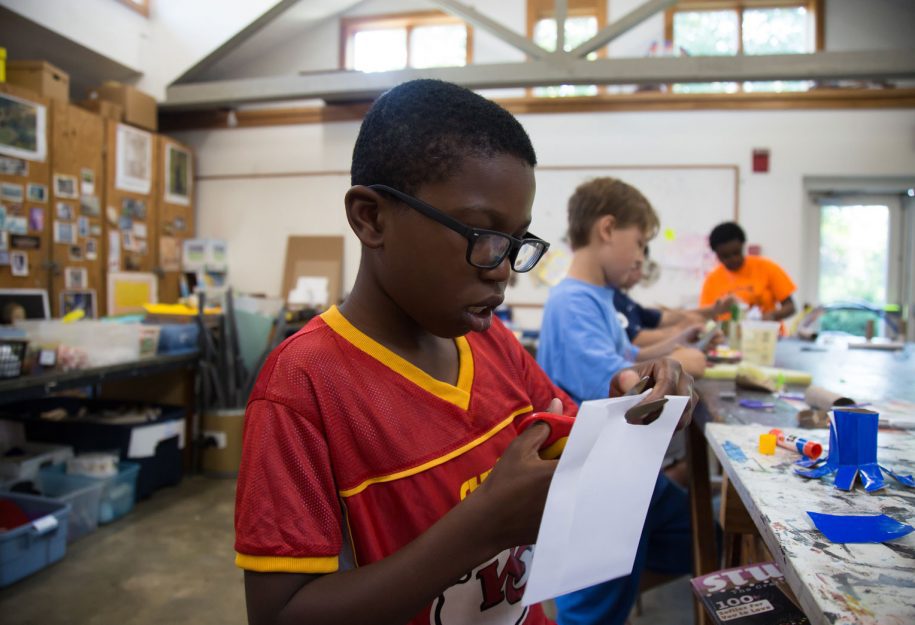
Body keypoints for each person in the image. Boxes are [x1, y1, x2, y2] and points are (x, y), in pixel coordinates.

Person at [235, 80, 697, 625]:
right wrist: (483, 527)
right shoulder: (305, 387)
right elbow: (281, 615)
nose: (502, 266)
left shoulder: (490, 341)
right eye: (482, 234)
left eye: (517, 241)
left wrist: (634, 403)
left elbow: (562, 441)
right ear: (371, 218)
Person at [537, 176, 698, 625]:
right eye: (640, 243)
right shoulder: (571, 301)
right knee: (590, 612)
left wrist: (673, 348)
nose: (641, 256)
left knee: (703, 539)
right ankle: (588, 595)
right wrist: (680, 361)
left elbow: (628, 355)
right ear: (607, 229)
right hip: (597, 476)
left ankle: (607, 591)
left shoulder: (599, 299)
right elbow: (624, 380)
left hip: (628, 472)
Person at [614, 249, 735, 347]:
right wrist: (683, 331)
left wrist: (714, 310)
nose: (641, 273)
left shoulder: (625, 300)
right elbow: (636, 339)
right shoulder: (613, 299)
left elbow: (665, 317)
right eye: (637, 265)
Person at [700, 221, 797, 321]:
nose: (733, 259)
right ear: (717, 255)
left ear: (743, 246)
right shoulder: (712, 280)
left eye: (736, 253)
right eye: (725, 256)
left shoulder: (767, 268)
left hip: (767, 333)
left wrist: (772, 316)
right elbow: (706, 317)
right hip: (729, 335)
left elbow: (790, 307)